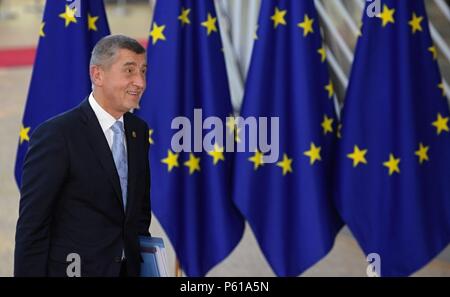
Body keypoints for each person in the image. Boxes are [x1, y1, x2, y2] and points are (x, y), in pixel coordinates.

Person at [14, 35, 151, 277]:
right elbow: (32, 227)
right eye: (129, 71)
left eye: (143, 71)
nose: (139, 82)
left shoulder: (137, 131)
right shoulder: (57, 135)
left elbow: (138, 215)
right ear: (97, 75)